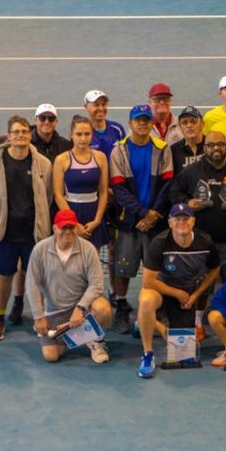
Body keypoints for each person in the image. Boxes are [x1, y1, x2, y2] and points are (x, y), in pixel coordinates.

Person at [0, 116, 53, 341]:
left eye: (24, 131)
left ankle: (41, 318)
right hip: (5, 233)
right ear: (9, 135)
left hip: (34, 233)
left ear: (29, 135)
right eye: (16, 132)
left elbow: (47, 196)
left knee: (38, 277)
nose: (20, 135)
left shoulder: (43, 164)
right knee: (3, 276)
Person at [108, 104, 174, 334]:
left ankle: (159, 307)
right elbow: (118, 188)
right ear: (130, 123)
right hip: (130, 222)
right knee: (123, 269)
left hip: (155, 222)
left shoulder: (162, 148)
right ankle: (122, 306)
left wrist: (153, 213)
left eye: (146, 120)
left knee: (157, 269)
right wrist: (142, 212)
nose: (143, 123)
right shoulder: (119, 150)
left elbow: (167, 185)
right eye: (138, 120)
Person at [135, 204, 221, 379]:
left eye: (186, 218)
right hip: (161, 289)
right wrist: (176, 293)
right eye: (177, 219)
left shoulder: (205, 242)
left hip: (187, 293)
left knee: (183, 354)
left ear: (193, 221)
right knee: (145, 300)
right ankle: (147, 355)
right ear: (170, 222)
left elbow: (214, 269)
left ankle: (148, 323)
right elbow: (148, 281)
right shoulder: (159, 243)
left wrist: (195, 295)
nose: (182, 222)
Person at [169, 130, 226, 280]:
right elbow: (174, 192)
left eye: (220, 144)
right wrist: (188, 203)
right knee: (202, 285)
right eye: (211, 145)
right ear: (204, 148)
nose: (215, 148)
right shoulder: (191, 171)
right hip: (201, 240)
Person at [27, 209, 112, 364]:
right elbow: (32, 284)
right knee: (51, 356)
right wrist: (38, 316)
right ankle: (77, 335)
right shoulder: (40, 249)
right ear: (55, 228)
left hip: (84, 309)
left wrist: (80, 309)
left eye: (71, 227)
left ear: (76, 227)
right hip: (55, 311)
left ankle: (96, 342)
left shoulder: (88, 249)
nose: (67, 231)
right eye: (63, 227)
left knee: (103, 309)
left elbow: (96, 285)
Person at [84, 89, 127, 300]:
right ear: (86, 107)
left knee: (114, 248)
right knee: (91, 249)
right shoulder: (83, 131)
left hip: (116, 199)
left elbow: (123, 160)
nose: (100, 108)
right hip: (93, 200)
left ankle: (114, 292)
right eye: (95, 104)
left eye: (103, 104)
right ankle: (92, 292)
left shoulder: (117, 129)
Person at [52, 115, 109, 250]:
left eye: (87, 134)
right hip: (70, 214)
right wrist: (74, 223)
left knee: (92, 257)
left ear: (92, 135)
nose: (83, 138)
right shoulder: (61, 160)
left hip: (93, 215)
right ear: (71, 135)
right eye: (78, 134)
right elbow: (58, 195)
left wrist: (97, 220)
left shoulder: (101, 158)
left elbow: (103, 191)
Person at [169, 106, 206, 177]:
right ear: (180, 127)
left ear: (202, 124)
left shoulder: (212, 145)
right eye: (184, 122)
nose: (189, 125)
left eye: (193, 121)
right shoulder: (174, 150)